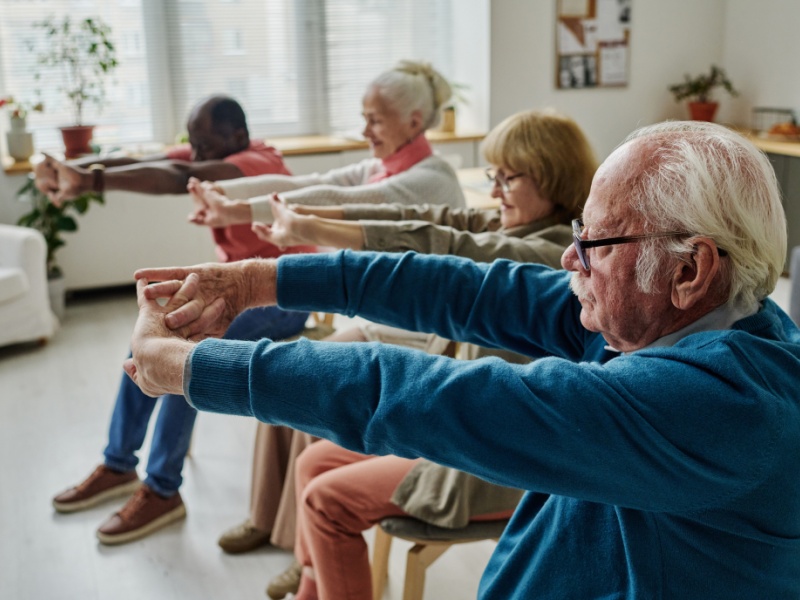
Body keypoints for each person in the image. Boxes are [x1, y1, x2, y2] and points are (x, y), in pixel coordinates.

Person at [127, 119, 800, 599]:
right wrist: (259, 281)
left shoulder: (723, 405)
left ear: (690, 271)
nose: (571, 258)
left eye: (595, 241)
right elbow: (465, 287)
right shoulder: (662, 317)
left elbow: (428, 395)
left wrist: (191, 369)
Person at [250, 108, 596, 598]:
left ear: (554, 178)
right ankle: (315, 585)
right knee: (313, 464)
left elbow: (447, 243)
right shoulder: (518, 225)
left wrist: (314, 234)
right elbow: (427, 219)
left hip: (497, 460)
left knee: (326, 500)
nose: (494, 190)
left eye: (508, 178)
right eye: (492, 176)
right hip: (460, 427)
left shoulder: (553, 251)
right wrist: (308, 222)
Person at [185, 61, 466, 563]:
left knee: (305, 387)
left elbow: (342, 200)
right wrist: (227, 197)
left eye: (375, 120)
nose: (364, 131)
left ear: (415, 120)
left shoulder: (431, 178)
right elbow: (307, 181)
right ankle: (268, 517)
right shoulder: (381, 164)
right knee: (274, 377)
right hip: (377, 322)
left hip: (419, 337)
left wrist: (237, 210)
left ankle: (304, 552)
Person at [47, 95, 314, 546]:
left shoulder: (253, 164)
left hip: (284, 295)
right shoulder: (215, 151)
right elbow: (146, 159)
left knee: (183, 357)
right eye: (192, 143)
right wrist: (77, 168)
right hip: (236, 287)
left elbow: (175, 178)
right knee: (144, 341)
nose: (195, 155)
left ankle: (162, 489)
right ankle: (118, 463)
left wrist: (91, 180)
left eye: (204, 145)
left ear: (237, 138)